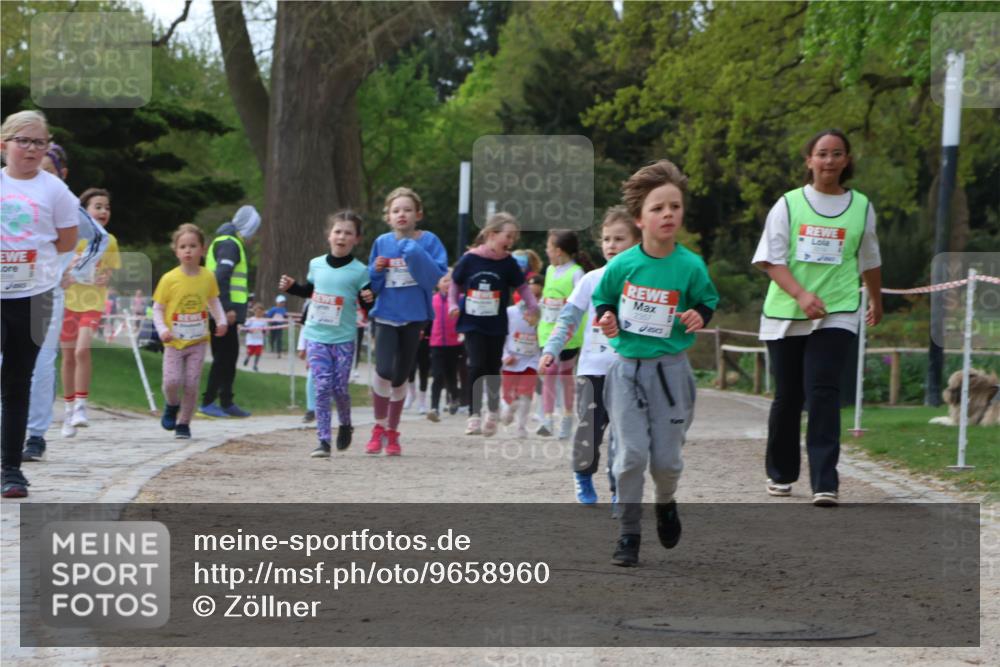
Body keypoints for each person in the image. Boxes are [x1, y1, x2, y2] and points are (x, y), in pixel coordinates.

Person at [593, 159, 720, 566]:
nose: (668, 214)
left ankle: (666, 501)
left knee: (666, 461)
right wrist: (607, 318)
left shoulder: (690, 265)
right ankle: (628, 532)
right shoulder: (623, 265)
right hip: (628, 370)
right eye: (658, 208)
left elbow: (707, 300)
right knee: (630, 455)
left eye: (675, 207)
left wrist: (699, 314)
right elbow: (604, 301)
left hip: (670, 371)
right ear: (639, 219)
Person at [752, 129, 883, 507]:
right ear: (809, 160)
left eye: (837, 154)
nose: (829, 161)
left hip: (838, 310)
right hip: (786, 313)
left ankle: (826, 481)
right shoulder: (789, 204)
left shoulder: (861, 206)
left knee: (824, 392)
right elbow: (770, 260)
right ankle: (781, 473)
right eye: (822, 154)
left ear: (846, 160)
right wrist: (801, 294)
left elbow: (870, 259)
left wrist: (875, 299)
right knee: (789, 396)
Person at [541, 205, 641, 505]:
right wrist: (551, 349)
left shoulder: (644, 282)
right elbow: (568, 319)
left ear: (637, 242)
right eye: (607, 239)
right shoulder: (591, 280)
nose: (611, 245)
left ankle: (617, 491)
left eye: (619, 239)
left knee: (624, 438)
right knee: (590, 432)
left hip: (630, 369)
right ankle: (582, 474)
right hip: (593, 370)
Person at [1, 110, 79, 498]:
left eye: (39, 142)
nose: (31, 149)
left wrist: (34, 261)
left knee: (18, 382)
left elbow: (67, 240)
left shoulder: (55, 191)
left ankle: (11, 471)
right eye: (23, 141)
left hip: (35, 296)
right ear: (4, 146)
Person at [21, 143, 108, 462]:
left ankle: (35, 434)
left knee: (41, 364)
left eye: (47, 171)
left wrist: (72, 270)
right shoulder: (14, 194)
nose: (39, 177)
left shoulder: (65, 201)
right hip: (10, 289)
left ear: (61, 174)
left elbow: (100, 238)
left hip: (47, 293)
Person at [280, 210, 374, 456]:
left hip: (343, 338)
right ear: (329, 235)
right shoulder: (316, 264)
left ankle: (345, 423)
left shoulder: (360, 271)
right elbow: (310, 292)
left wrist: (368, 298)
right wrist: (292, 288)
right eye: (337, 231)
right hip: (316, 335)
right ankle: (323, 440)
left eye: (348, 233)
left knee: (340, 388)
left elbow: (367, 305)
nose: (341, 237)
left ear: (357, 239)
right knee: (322, 386)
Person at [366, 187, 448, 456]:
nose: (402, 214)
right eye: (396, 210)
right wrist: (376, 270)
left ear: (418, 215)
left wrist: (412, 251)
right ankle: (378, 426)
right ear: (388, 217)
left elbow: (432, 278)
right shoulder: (381, 242)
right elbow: (374, 285)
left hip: (415, 317)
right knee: (384, 370)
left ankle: (392, 430)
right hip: (387, 315)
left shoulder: (430, 241)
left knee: (401, 376)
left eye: (407, 210)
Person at [449, 212, 538, 436]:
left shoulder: (508, 263)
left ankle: (492, 411)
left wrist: (533, 306)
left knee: (491, 367)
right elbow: (455, 283)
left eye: (513, 238)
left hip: (496, 324)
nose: (510, 242)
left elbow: (523, 287)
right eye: (507, 236)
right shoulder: (470, 259)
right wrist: (452, 304)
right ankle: (473, 414)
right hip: (472, 322)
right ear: (491, 233)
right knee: (476, 365)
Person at [153, 224, 228, 439]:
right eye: (183, 246)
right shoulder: (169, 279)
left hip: (198, 340)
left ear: (202, 250)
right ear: (176, 251)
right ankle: (171, 405)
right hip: (174, 341)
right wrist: (162, 329)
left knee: (192, 383)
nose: (188, 251)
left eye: (193, 246)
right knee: (172, 382)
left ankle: (184, 423)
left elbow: (213, 301)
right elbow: (158, 308)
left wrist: (221, 321)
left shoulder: (208, 277)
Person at [59, 187, 120, 436]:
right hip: (68, 303)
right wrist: (69, 272)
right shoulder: (72, 237)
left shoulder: (110, 241)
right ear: (85, 211)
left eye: (106, 207)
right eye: (98, 206)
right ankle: (68, 409)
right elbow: (58, 269)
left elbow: (109, 272)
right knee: (68, 357)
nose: (103, 211)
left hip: (93, 304)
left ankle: (82, 406)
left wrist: (103, 277)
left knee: (83, 350)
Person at [200, 205, 260, 418]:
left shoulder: (227, 242)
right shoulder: (230, 244)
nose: (255, 236)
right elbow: (221, 276)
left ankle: (226, 401)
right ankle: (208, 402)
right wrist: (227, 310)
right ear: (248, 227)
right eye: (255, 230)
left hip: (222, 311)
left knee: (227, 355)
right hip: (223, 312)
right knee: (224, 357)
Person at [537, 229, 591, 438]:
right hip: (547, 331)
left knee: (565, 376)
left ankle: (567, 417)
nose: (546, 251)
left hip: (568, 335)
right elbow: (546, 296)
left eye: (548, 247)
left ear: (558, 251)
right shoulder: (550, 270)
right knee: (549, 374)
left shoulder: (577, 273)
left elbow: (582, 301)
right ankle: (548, 419)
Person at [500, 297, 541, 439]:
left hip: (531, 359)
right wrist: (504, 355)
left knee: (526, 394)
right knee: (508, 395)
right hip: (511, 359)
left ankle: (521, 426)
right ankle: (509, 409)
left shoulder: (542, 312)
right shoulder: (510, 312)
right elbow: (502, 334)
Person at [427, 271, 461, 422]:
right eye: (445, 281)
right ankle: (434, 408)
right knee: (437, 375)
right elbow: (426, 318)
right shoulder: (432, 300)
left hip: (455, 343)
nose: (448, 284)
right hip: (436, 343)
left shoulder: (460, 299)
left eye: (451, 281)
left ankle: (454, 398)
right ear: (438, 284)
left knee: (451, 375)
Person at [241, 304, 267, 371]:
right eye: (258, 312)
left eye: (261, 312)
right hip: (251, 340)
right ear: (254, 311)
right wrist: (249, 330)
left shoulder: (264, 321)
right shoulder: (251, 319)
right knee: (250, 352)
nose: (259, 313)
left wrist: (263, 331)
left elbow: (265, 330)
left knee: (258, 353)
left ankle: (255, 365)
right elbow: (245, 328)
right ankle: (247, 358)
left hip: (259, 340)